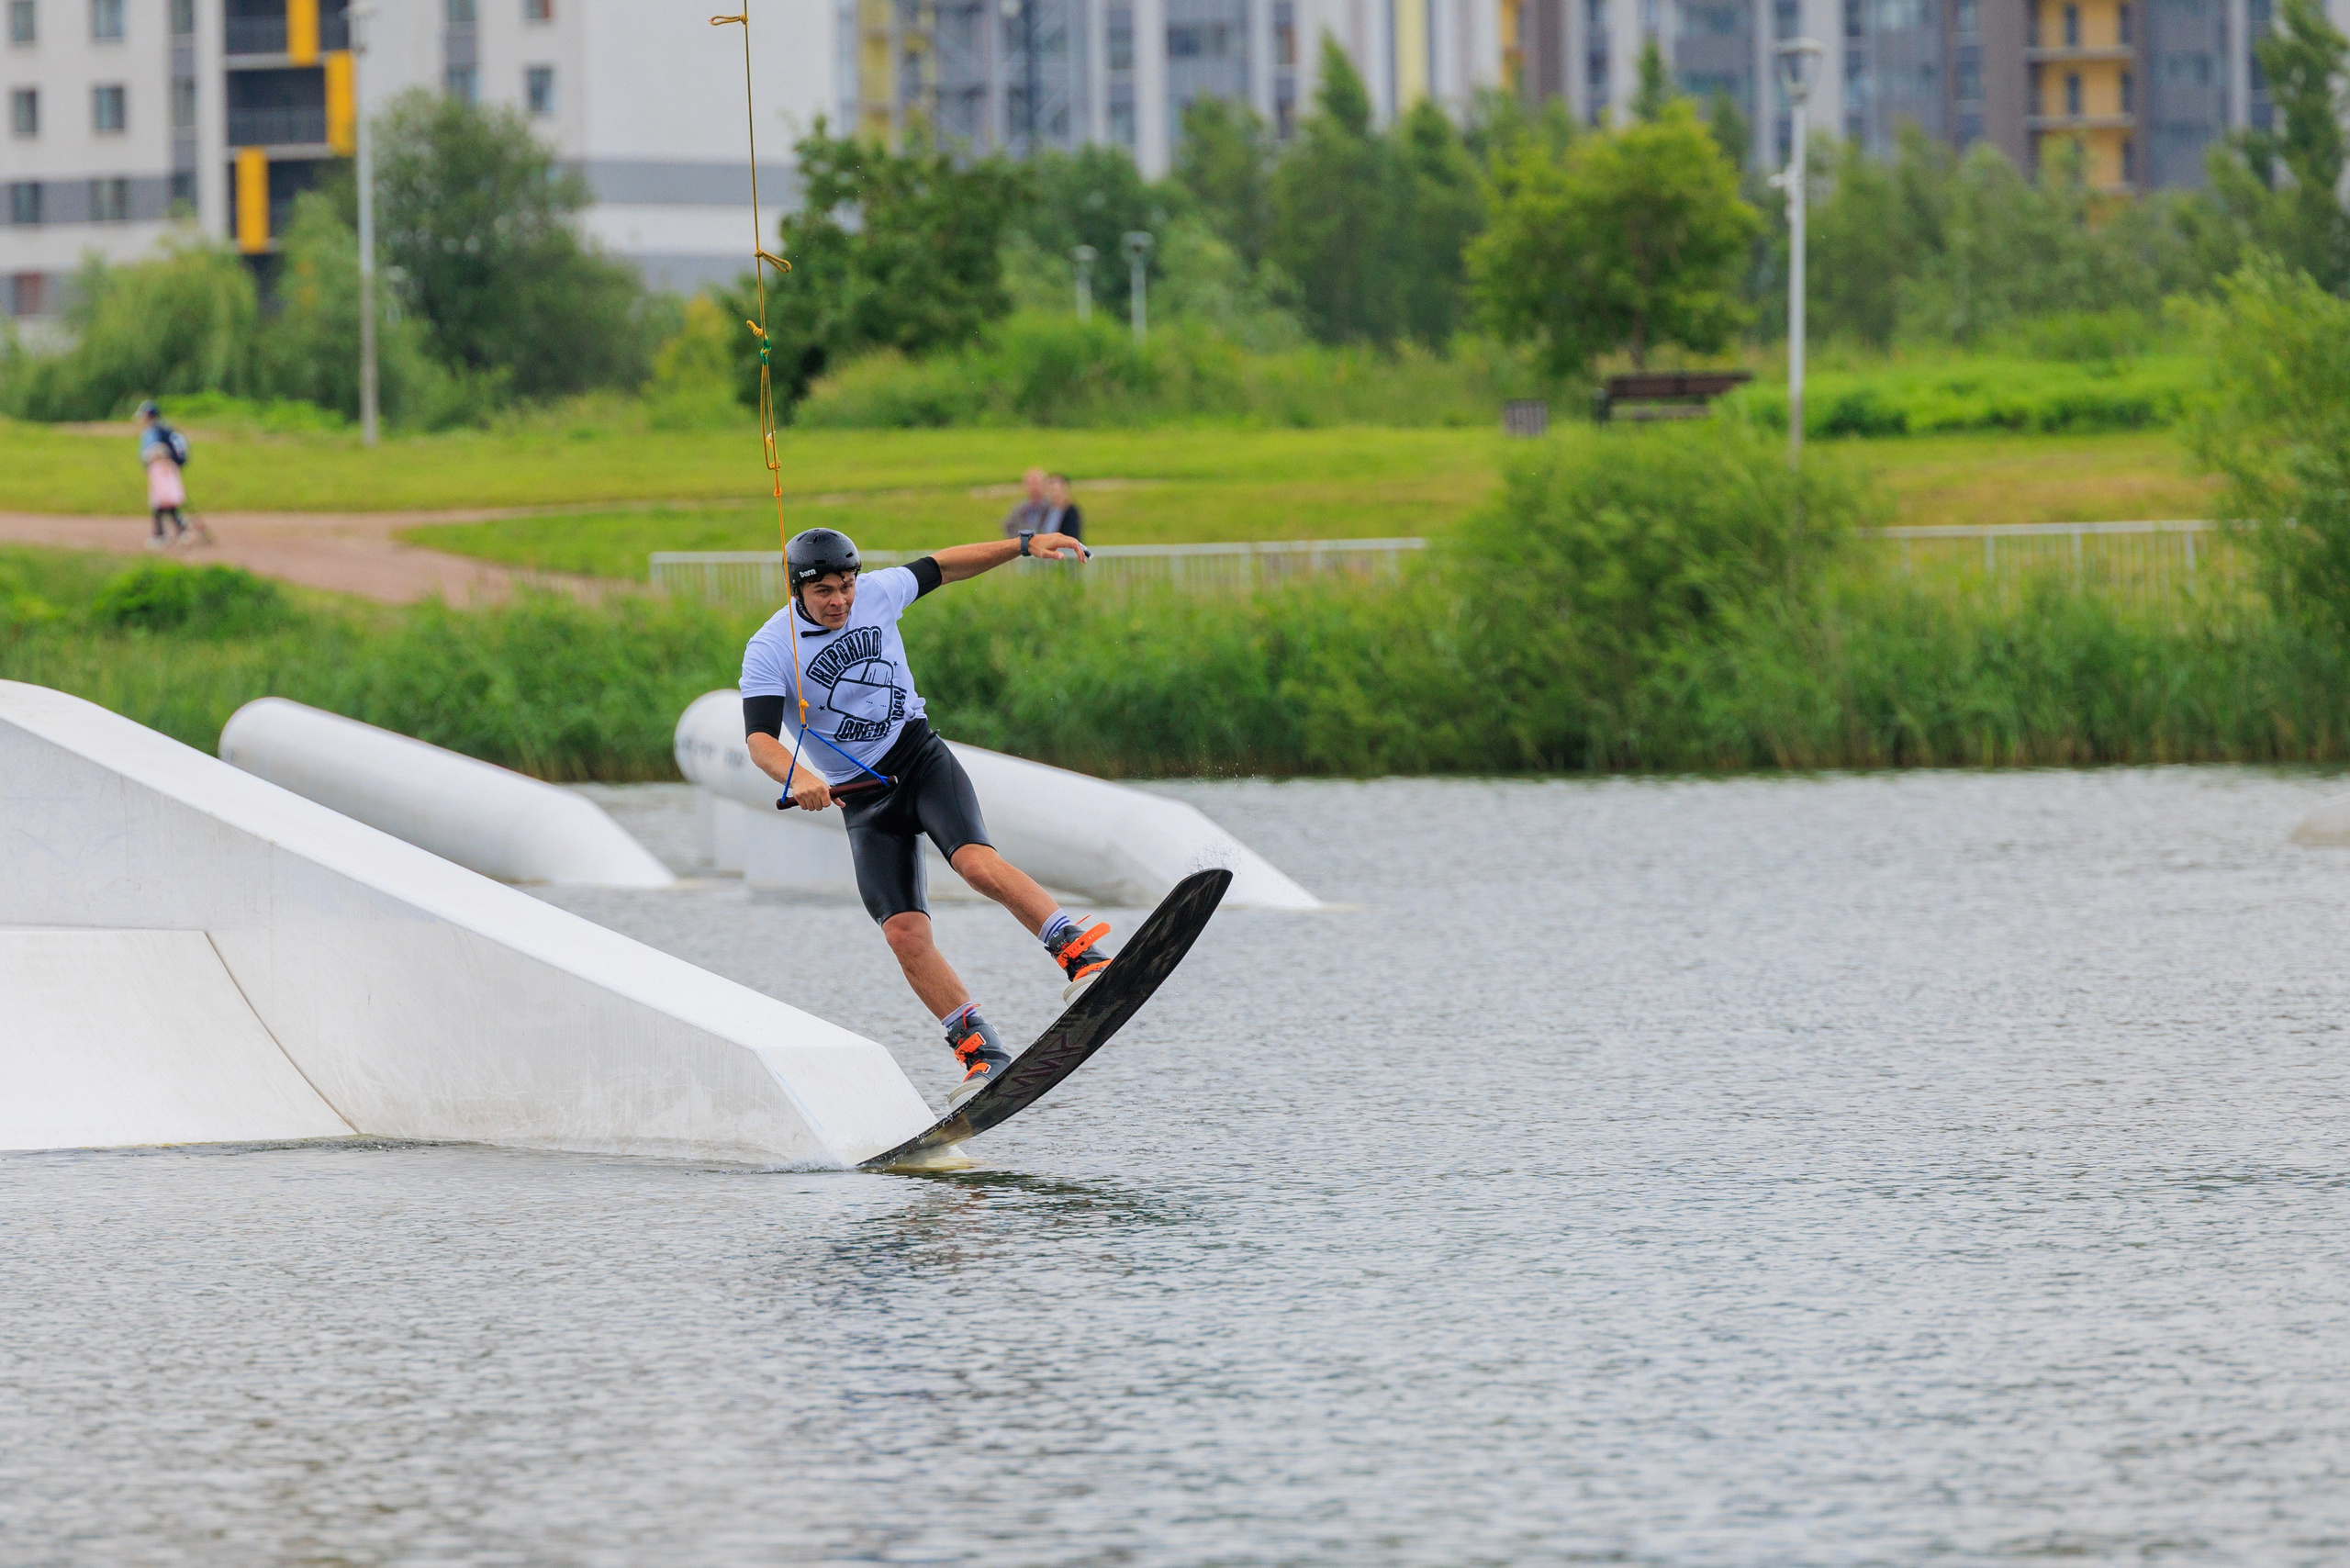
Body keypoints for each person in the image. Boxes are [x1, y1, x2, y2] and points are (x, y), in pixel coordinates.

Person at [742, 525, 1110, 1107]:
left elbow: (942, 565)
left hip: (920, 760)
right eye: (825, 594)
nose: (839, 601)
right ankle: (979, 1051)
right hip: (861, 796)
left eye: (846, 587)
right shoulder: (769, 649)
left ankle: (1081, 957)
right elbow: (759, 736)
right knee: (903, 932)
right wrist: (800, 776)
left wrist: (1021, 545)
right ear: (797, 591)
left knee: (977, 866)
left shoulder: (879, 593)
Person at [136, 401, 190, 550]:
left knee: (160, 502)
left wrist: (147, 460)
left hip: (161, 471)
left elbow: (155, 452)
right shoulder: (164, 428)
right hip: (167, 470)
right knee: (166, 502)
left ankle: (161, 535)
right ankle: (179, 530)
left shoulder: (153, 432)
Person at [999, 467, 1050, 539]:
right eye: (1031, 484)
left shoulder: (1053, 507)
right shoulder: (1019, 508)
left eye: (1037, 483)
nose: (1034, 488)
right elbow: (1008, 526)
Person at [1042, 473, 1083, 543]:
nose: (1054, 494)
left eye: (1056, 490)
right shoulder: (1046, 510)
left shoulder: (1071, 512)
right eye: (1051, 490)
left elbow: (1071, 536)